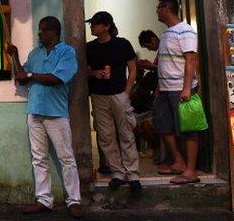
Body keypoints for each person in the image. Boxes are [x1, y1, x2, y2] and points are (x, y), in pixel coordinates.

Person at [9, 16, 82, 219]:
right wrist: (14, 56)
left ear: (53, 32)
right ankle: (43, 200)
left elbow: (57, 78)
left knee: (66, 158)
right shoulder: (35, 54)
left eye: (42, 30)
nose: (39, 33)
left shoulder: (67, 53)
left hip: (56, 114)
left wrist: (30, 76)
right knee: (39, 158)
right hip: (35, 111)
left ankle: (74, 200)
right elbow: (22, 78)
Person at [85, 11, 141, 197]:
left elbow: (133, 70)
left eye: (95, 23)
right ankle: (117, 171)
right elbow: (86, 70)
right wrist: (94, 74)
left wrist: (127, 93)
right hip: (99, 96)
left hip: (119, 94)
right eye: (91, 24)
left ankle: (132, 174)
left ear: (107, 26)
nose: (92, 26)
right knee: (105, 136)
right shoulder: (89, 47)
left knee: (126, 133)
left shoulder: (122, 44)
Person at [154, 0, 200, 184]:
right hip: (165, 89)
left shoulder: (186, 31)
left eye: (158, 7)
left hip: (180, 88)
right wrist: (159, 86)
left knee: (188, 129)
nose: (156, 11)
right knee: (163, 126)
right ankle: (178, 162)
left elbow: (191, 60)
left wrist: (187, 88)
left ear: (166, 8)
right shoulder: (166, 33)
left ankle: (191, 171)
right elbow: (164, 63)